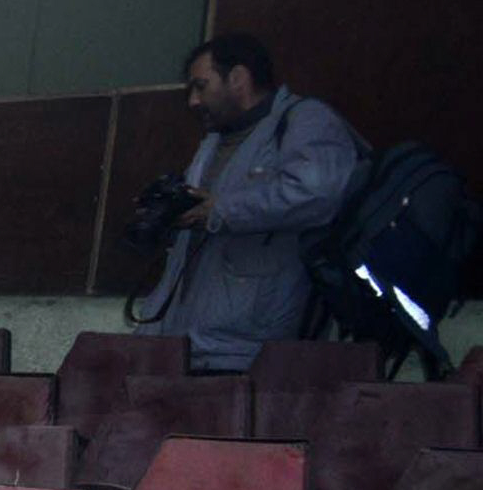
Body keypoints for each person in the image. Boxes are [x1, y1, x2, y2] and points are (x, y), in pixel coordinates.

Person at [132, 33, 363, 375]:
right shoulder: (214, 141)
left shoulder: (306, 120)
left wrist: (220, 210)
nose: (194, 101)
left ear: (238, 78)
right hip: (185, 342)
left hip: (248, 346)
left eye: (201, 86)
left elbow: (317, 194)